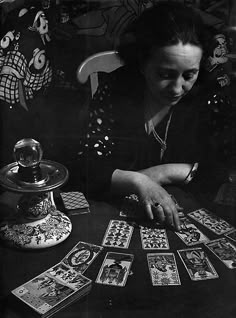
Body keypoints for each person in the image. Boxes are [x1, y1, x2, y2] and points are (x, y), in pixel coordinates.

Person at [76, 1, 229, 231]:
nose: (177, 88)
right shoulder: (115, 88)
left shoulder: (208, 96)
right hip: (116, 214)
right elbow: (87, 167)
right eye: (165, 74)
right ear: (142, 63)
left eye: (189, 74)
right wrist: (139, 181)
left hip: (183, 217)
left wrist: (162, 173)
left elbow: (221, 170)